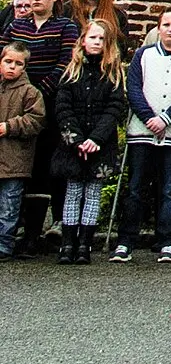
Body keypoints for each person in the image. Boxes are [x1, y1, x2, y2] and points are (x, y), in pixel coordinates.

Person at [115, 5, 171, 260]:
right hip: (141, 131)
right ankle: (126, 241)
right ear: (158, 27)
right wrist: (149, 117)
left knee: (169, 187)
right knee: (136, 187)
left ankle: (167, 240)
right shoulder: (143, 55)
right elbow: (133, 88)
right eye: (166, 24)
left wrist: (166, 118)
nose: (170, 29)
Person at [7, 0, 73, 254]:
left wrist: (38, 93)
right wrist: (22, 95)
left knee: (47, 165)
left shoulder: (65, 27)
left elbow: (65, 64)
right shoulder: (16, 27)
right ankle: (26, 232)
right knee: (24, 166)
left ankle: (46, 230)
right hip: (17, 103)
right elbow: (6, 58)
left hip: (50, 103)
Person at [50, 17, 126, 263]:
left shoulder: (112, 74)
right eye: (92, 37)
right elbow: (62, 108)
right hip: (73, 143)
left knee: (92, 192)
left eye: (102, 39)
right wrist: (77, 140)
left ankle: (85, 244)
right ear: (83, 40)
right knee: (73, 191)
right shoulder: (70, 72)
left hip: (99, 143)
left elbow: (114, 109)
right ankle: (67, 244)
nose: (97, 42)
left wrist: (95, 139)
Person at [0, 40, 45, 257]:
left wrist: (9, 127)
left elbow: (36, 120)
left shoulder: (30, 92)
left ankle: (4, 245)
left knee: (9, 206)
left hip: (15, 161)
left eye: (17, 63)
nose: (12, 67)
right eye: (8, 61)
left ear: (24, 67)